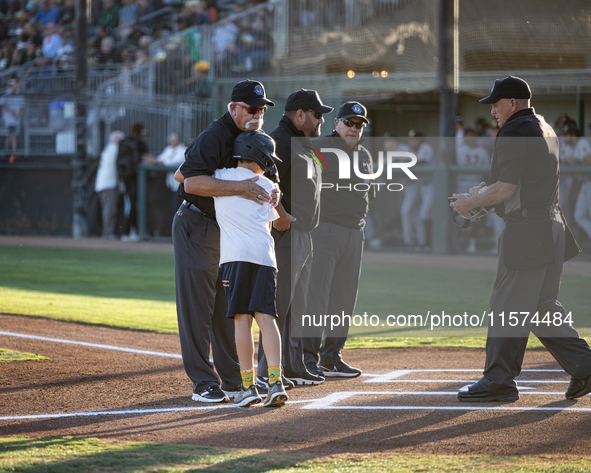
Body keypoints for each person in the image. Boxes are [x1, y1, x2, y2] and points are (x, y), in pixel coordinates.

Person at [451, 76, 591, 402]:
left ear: (512, 103)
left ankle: (498, 381)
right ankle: (585, 363)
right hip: (551, 227)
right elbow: (518, 183)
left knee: (507, 306)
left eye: (496, 104)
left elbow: (506, 190)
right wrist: (481, 194)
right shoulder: (544, 126)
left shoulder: (514, 130)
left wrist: (469, 203)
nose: (493, 111)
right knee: (540, 308)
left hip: (529, 232)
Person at [172, 80, 276, 403]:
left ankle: (233, 380)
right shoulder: (217, 135)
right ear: (234, 108)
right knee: (197, 307)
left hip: (226, 232)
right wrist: (240, 189)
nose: (257, 114)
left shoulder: (254, 139)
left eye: (261, 109)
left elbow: (268, 180)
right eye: (251, 108)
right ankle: (202, 382)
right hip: (196, 222)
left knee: (224, 308)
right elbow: (186, 180)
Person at [256, 88, 333, 387]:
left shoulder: (302, 143)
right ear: (299, 115)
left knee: (298, 304)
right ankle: (266, 371)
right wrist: (282, 218)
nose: (320, 121)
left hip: (305, 235)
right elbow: (263, 184)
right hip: (287, 236)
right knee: (279, 304)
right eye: (317, 115)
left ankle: (294, 366)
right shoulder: (281, 142)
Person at [214, 130, 287, 408]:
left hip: (235, 258)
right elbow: (272, 225)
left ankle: (247, 387)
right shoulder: (269, 185)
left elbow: (189, 179)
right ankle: (275, 382)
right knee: (266, 318)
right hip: (266, 258)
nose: (269, 164)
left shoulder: (220, 176)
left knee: (242, 320)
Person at [303, 101, 374, 378]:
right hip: (324, 231)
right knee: (317, 296)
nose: (354, 128)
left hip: (355, 232)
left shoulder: (365, 155)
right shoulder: (319, 147)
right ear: (337, 123)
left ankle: (332, 356)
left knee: (344, 298)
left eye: (359, 125)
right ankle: (308, 358)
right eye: (349, 123)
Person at [116, 122, 152, 241]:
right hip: (135, 178)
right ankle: (131, 231)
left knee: (129, 204)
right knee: (135, 204)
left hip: (125, 178)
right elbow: (144, 157)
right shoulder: (139, 142)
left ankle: (128, 231)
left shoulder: (124, 141)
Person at [400, 129, 434, 250]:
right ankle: (422, 243)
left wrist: (406, 163)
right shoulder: (411, 151)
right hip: (421, 187)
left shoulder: (425, 147)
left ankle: (430, 243)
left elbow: (422, 163)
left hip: (431, 185)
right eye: (410, 139)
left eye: (414, 139)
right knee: (417, 215)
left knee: (424, 214)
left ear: (420, 140)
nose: (412, 141)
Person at [143, 132, 187, 216]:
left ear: (179, 140)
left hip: (180, 185)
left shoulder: (183, 150)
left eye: (174, 139)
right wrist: (152, 159)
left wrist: (155, 161)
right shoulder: (168, 149)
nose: (172, 141)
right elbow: (160, 158)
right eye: (170, 139)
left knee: (178, 208)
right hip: (170, 183)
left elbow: (171, 163)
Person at [94, 130, 125, 239]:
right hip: (109, 184)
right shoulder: (115, 149)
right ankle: (108, 232)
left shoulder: (108, 148)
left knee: (107, 209)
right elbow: (117, 168)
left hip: (102, 184)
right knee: (110, 210)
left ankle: (107, 231)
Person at [571, 125, 591, 243]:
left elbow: (589, 159)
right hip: (585, 183)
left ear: (572, 134)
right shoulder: (578, 145)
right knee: (579, 216)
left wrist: (576, 162)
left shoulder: (582, 142)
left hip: (589, 181)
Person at [0, 78, 25, 153]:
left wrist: (20, 113)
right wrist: (11, 111)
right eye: (16, 84)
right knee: (13, 132)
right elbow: (1, 104)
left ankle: (6, 150)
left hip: (16, 117)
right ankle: (14, 151)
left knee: (10, 133)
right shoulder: (6, 93)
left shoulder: (19, 93)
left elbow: (23, 105)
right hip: (8, 117)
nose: (17, 85)